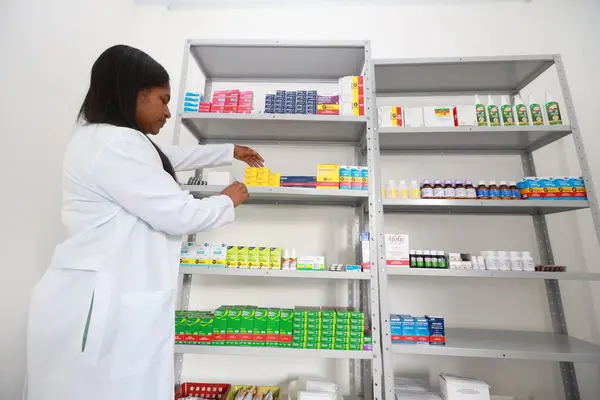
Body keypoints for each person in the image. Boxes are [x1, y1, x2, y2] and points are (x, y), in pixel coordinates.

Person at [25, 45, 264, 400]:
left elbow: (166, 156)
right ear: (134, 95)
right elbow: (179, 214)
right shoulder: (116, 145)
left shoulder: (114, 141)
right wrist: (228, 199)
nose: (168, 113)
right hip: (98, 305)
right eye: (162, 100)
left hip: (104, 294)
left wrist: (228, 150)